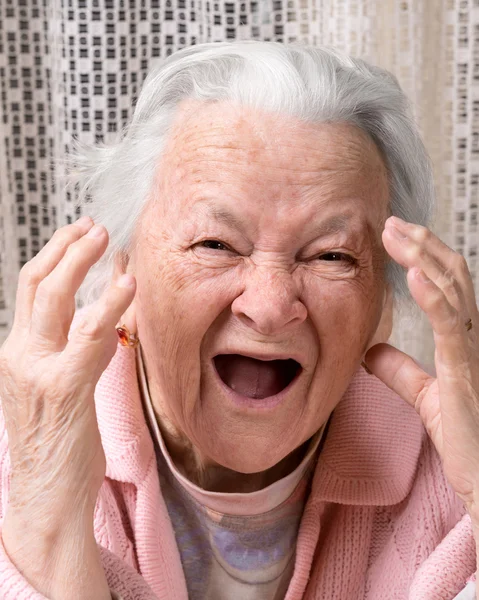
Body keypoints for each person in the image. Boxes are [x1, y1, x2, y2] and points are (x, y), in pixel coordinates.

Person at [0, 41, 478, 600]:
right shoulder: (24, 446)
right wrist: (48, 514)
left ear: (384, 307)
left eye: (331, 255)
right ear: (123, 269)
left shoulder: (449, 468)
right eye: (216, 243)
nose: (270, 307)